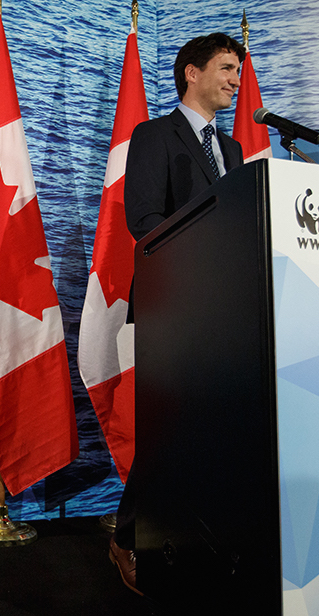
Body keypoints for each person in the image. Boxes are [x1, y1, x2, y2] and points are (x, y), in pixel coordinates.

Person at [110, 32, 246, 595]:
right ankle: (126, 538)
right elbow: (142, 220)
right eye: (225, 68)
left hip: (226, 308)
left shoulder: (234, 150)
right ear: (190, 73)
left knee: (214, 425)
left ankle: (200, 537)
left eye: (238, 70)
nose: (235, 79)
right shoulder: (153, 136)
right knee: (168, 430)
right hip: (173, 306)